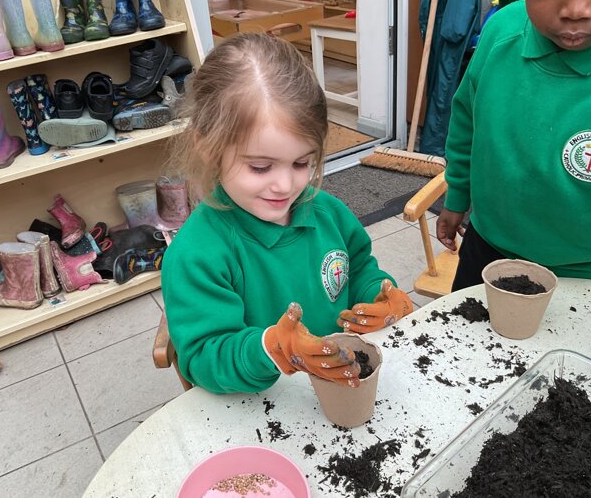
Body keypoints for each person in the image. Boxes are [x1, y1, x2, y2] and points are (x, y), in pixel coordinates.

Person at [161, 33, 413, 394]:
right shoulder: (196, 255)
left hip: (342, 385)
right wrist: (270, 350)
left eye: (301, 163)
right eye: (261, 167)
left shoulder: (329, 214)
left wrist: (378, 295)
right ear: (208, 146)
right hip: (262, 403)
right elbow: (204, 358)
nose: (285, 186)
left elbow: (358, 269)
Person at [437, 0, 591, 290]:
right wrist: (458, 194)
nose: (576, 10)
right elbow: (466, 121)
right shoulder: (500, 30)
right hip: (489, 250)